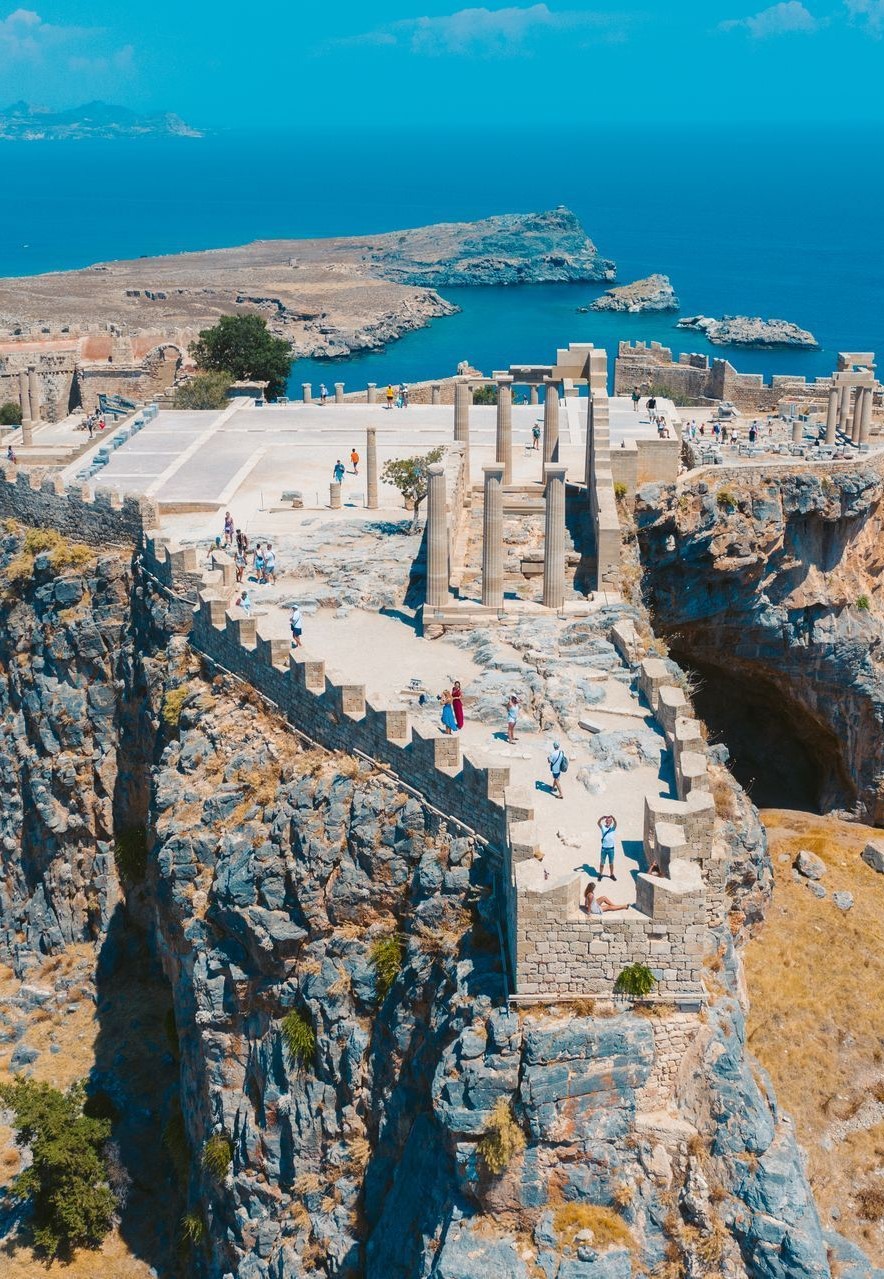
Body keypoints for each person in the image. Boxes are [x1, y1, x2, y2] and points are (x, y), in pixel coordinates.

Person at [598, 815, 617, 879]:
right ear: (605, 821)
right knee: (602, 862)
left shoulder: (612, 828)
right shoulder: (603, 827)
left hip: (611, 849)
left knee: (611, 863)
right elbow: (598, 823)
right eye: (607, 820)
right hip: (604, 849)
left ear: (611, 822)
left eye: (609, 821)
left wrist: (613, 818)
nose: (608, 821)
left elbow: (616, 823)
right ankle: (600, 874)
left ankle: (611, 874)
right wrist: (602, 817)